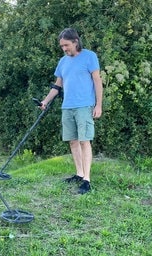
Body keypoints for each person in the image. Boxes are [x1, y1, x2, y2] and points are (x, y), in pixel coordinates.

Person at [39, 28, 103, 195]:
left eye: (66, 45)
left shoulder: (90, 57)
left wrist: (98, 105)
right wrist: (45, 101)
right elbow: (57, 85)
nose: (64, 49)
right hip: (67, 106)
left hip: (84, 106)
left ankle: (87, 180)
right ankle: (79, 173)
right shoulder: (63, 61)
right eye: (61, 46)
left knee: (84, 141)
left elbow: (97, 81)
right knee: (73, 141)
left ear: (75, 41)